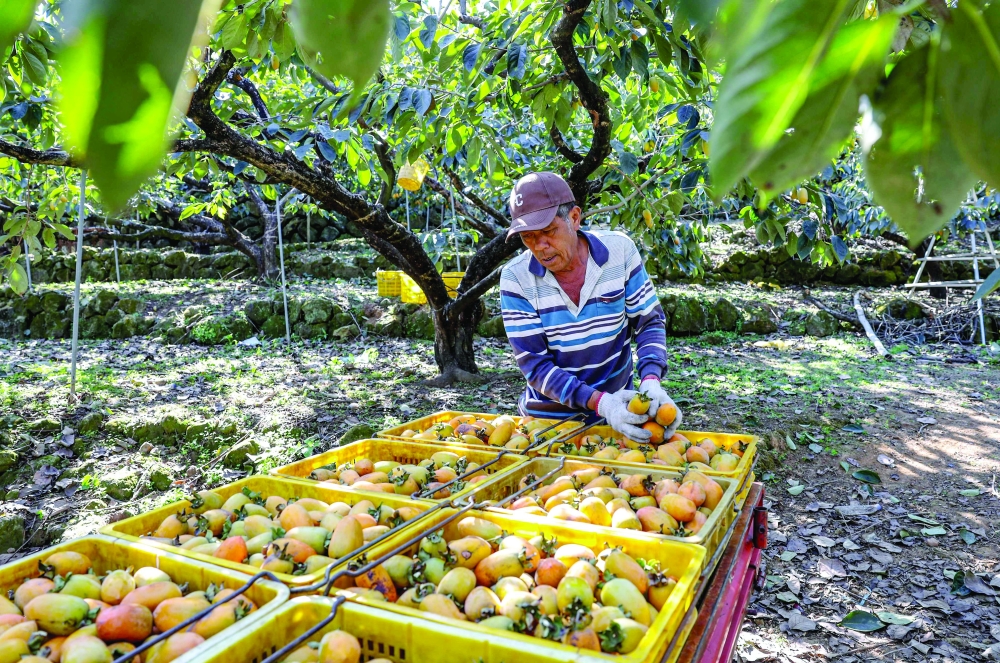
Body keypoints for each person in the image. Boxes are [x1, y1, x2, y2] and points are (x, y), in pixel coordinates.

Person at [499, 171, 682, 443]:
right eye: (528, 237)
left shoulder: (619, 252)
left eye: (549, 231)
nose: (540, 246)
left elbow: (649, 322)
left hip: (622, 419)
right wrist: (601, 403)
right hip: (548, 424)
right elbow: (536, 367)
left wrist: (651, 381)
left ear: (574, 217)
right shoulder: (517, 278)